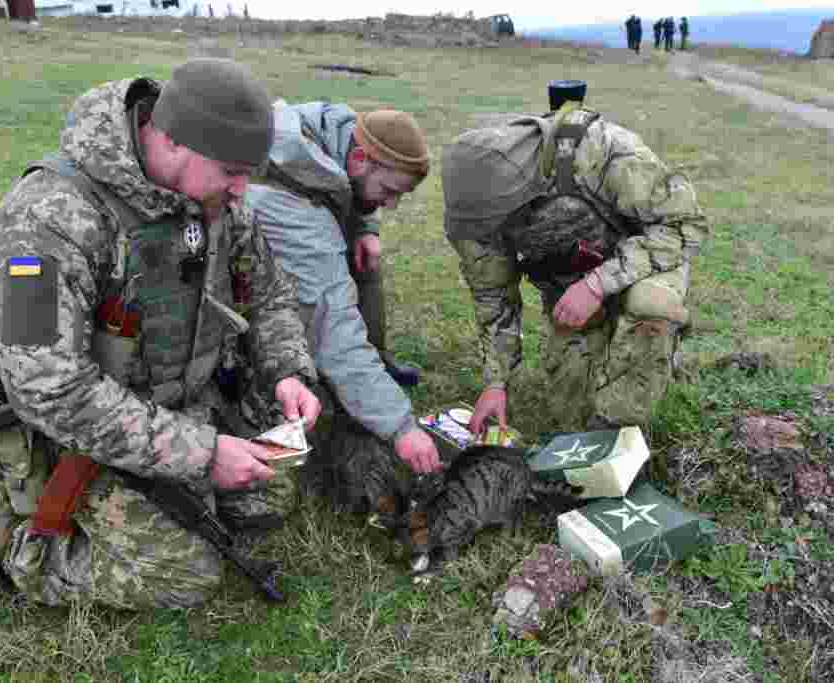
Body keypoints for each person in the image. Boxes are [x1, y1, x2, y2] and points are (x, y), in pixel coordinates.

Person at [0, 59, 321, 609]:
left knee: (266, 500)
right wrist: (202, 454)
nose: (244, 190)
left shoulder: (216, 201)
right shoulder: (44, 220)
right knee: (182, 573)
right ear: (170, 140)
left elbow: (268, 292)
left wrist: (289, 370)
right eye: (233, 171)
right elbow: (48, 390)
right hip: (80, 433)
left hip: (187, 404)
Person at [441, 84, 708, 436]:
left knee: (650, 309)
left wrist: (597, 284)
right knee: (571, 416)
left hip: (647, 260)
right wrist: (496, 383)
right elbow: (494, 299)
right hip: (569, 288)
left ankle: (618, 437)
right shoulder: (475, 214)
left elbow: (684, 225)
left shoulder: (603, 151)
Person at [244, 101, 441, 515]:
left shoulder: (335, 130)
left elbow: (350, 183)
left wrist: (366, 226)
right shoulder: (295, 212)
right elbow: (335, 337)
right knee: (309, 416)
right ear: (358, 159)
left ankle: (374, 377)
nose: (390, 205)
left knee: (363, 260)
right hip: (238, 317)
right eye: (388, 192)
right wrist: (402, 428)